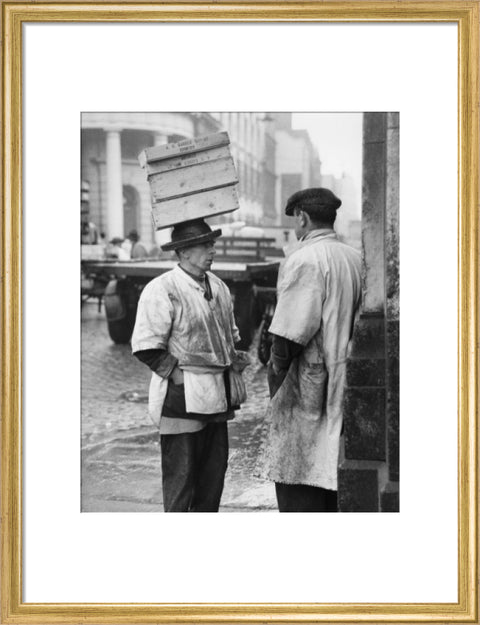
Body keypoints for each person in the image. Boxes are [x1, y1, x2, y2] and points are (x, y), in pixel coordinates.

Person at [131, 219, 248, 512]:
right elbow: (146, 346)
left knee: (212, 480)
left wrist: (235, 358)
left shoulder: (219, 287)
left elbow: (230, 335)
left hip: (217, 400)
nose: (212, 250)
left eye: (212, 243)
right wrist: (178, 376)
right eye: (204, 244)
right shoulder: (163, 289)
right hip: (180, 400)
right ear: (183, 252)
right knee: (182, 480)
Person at [259, 188, 362, 512]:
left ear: (302, 218)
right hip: (345, 375)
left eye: (295, 221)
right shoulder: (354, 257)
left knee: (300, 474)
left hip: (310, 383)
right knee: (331, 468)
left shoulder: (304, 258)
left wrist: (275, 376)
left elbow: (289, 333)